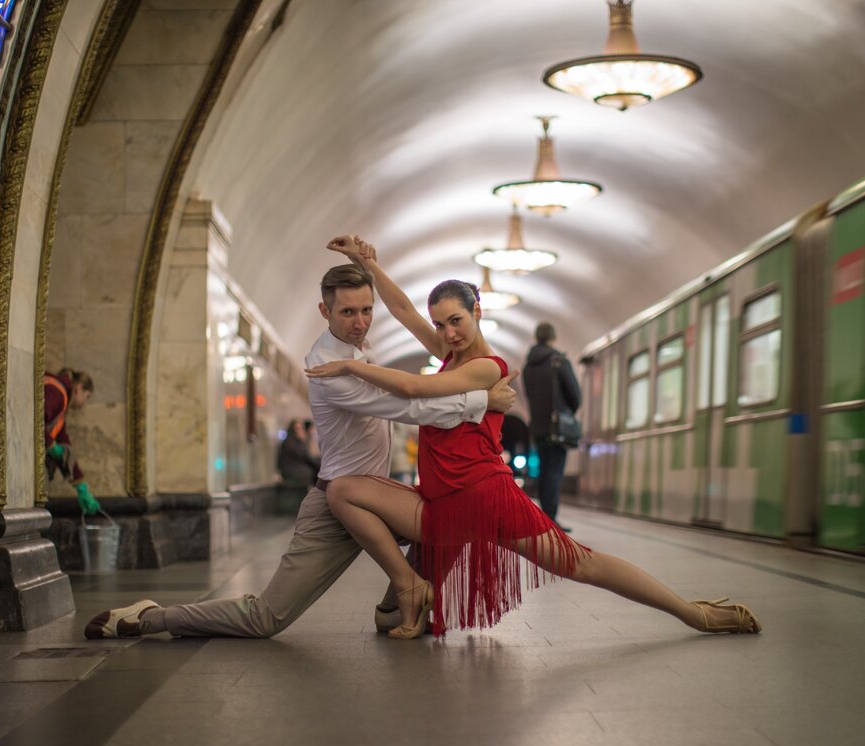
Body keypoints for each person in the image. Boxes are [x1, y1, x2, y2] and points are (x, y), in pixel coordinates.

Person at [306, 236, 761, 640]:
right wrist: (369, 267)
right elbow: (403, 311)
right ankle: (410, 592)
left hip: (483, 496)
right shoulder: (451, 353)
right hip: (444, 502)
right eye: (441, 324)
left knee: (581, 563)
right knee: (352, 511)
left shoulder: (487, 367)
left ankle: (692, 613)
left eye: (456, 321)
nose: (448, 333)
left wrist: (351, 365)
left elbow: (414, 388)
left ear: (477, 312)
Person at [84, 258, 518, 639]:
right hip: (336, 504)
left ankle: (392, 610)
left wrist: (366, 261)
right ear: (324, 310)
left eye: (367, 310)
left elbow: (403, 312)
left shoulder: (355, 351)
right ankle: (153, 618)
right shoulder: (327, 368)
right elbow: (408, 406)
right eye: (348, 312)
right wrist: (484, 401)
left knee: (449, 517)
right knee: (265, 618)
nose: (360, 321)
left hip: (372, 498)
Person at [523, 321, 581, 531]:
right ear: (552, 337)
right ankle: (550, 518)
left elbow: (529, 396)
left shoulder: (528, 366)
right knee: (554, 471)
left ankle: (543, 516)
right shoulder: (559, 361)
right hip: (557, 425)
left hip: (538, 426)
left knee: (544, 470)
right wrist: (567, 412)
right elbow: (575, 395)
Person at [44, 368, 100, 516]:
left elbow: (64, 443)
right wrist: (51, 445)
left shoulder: (62, 402)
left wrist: (81, 485)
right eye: (87, 397)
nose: (84, 404)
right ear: (79, 388)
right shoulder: (57, 393)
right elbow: (36, 421)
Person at [278, 419, 319, 486]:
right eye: (297, 428)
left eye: (301, 428)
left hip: (296, 466)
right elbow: (303, 454)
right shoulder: (289, 441)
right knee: (311, 471)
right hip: (290, 470)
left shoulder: (295, 441)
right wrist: (303, 441)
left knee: (315, 468)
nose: (300, 431)